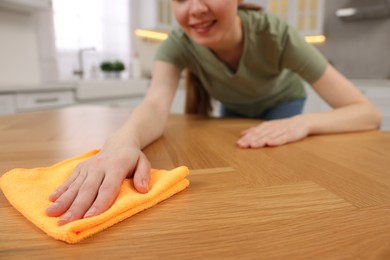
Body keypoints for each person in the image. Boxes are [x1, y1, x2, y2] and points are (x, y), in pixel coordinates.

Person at [46, 0, 382, 225]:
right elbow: (154, 104)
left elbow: (365, 112)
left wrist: (302, 122)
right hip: (234, 109)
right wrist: (120, 144)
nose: (194, 9)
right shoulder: (177, 43)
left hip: (285, 108)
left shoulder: (278, 36)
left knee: (279, 182)